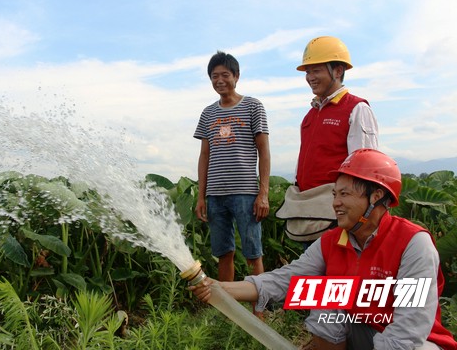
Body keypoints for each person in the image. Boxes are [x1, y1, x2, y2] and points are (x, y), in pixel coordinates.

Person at [190, 149, 457, 350]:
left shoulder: (413, 243)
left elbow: (409, 330)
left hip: (414, 343)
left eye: (345, 194)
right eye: (334, 194)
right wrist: (218, 288)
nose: (336, 203)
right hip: (362, 334)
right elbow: (285, 280)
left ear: (376, 196)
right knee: (324, 298)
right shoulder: (332, 241)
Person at [277, 36, 379, 245]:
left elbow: (365, 169)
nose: (310, 77)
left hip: (337, 214)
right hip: (310, 212)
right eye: (307, 72)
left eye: (316, 70)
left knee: (337, 273)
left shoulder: (356, 108)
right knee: (314, 273)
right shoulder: (309, 115)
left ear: (338, 71)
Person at [194, 50, 271, 282]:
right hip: (215, 195)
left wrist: (263, 193)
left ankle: (260, 307)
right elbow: (204, 155)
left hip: (245, 193)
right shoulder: (208, 113)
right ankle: (228, 309)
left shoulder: (253, 106)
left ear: (236, 76)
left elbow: (264, 151)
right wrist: (201, 197)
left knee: (252, 253)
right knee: (223, 253)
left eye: (225, 74)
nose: (219, 80)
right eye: (214, 76)